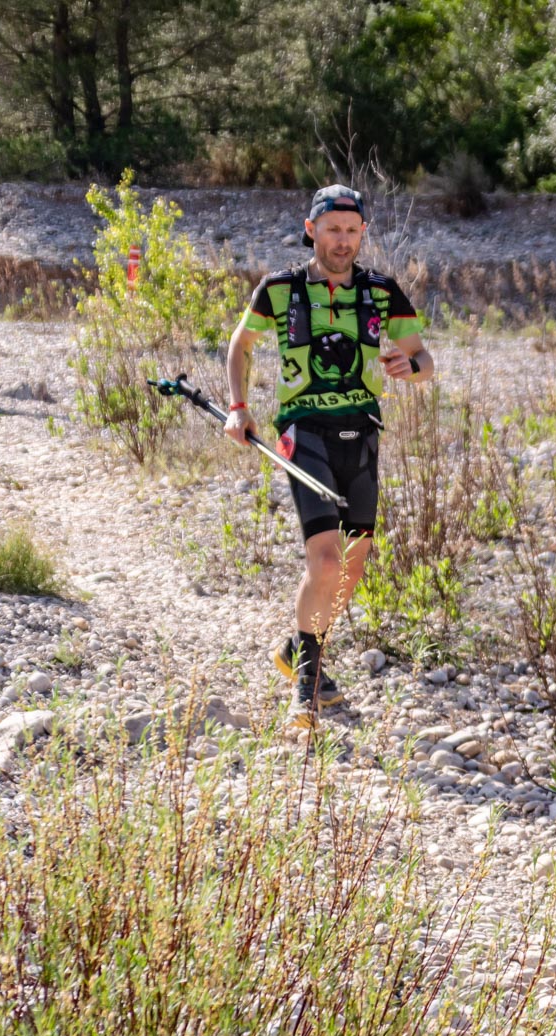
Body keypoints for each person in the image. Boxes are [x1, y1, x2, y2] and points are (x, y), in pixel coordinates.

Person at [225, 184, 433, 726]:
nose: (342, 241)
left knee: (352, 566)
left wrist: (411, 367)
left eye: (351, 231)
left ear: (362, 233)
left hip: (362, 435)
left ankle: (298, 649)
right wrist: (239, 408)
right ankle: (307, 686)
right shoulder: (280, 289)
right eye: (332, 229)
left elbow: (424, 359)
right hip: (304, 432)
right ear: (311, 229)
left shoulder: (382, 292)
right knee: (325, 560)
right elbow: (241, 345)